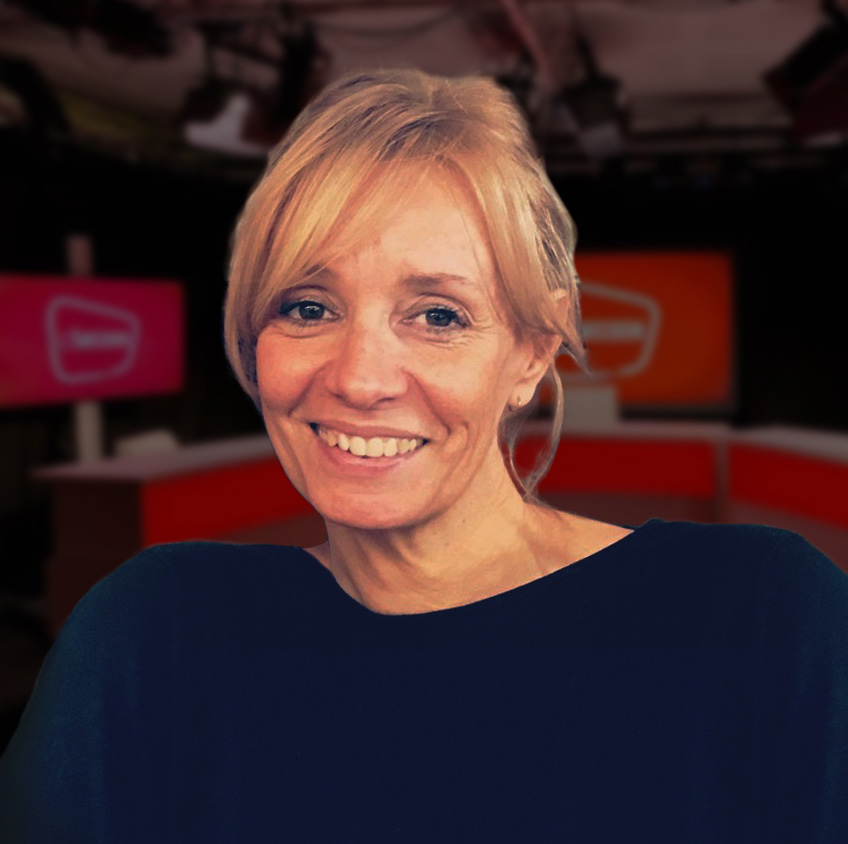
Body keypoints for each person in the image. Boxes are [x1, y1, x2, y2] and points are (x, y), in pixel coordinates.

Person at [1, 67, 847, 843]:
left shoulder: (766, 625)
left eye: (438, 315)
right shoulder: (152, 640)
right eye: (306, 307)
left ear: (530, 353)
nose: (360, 378)